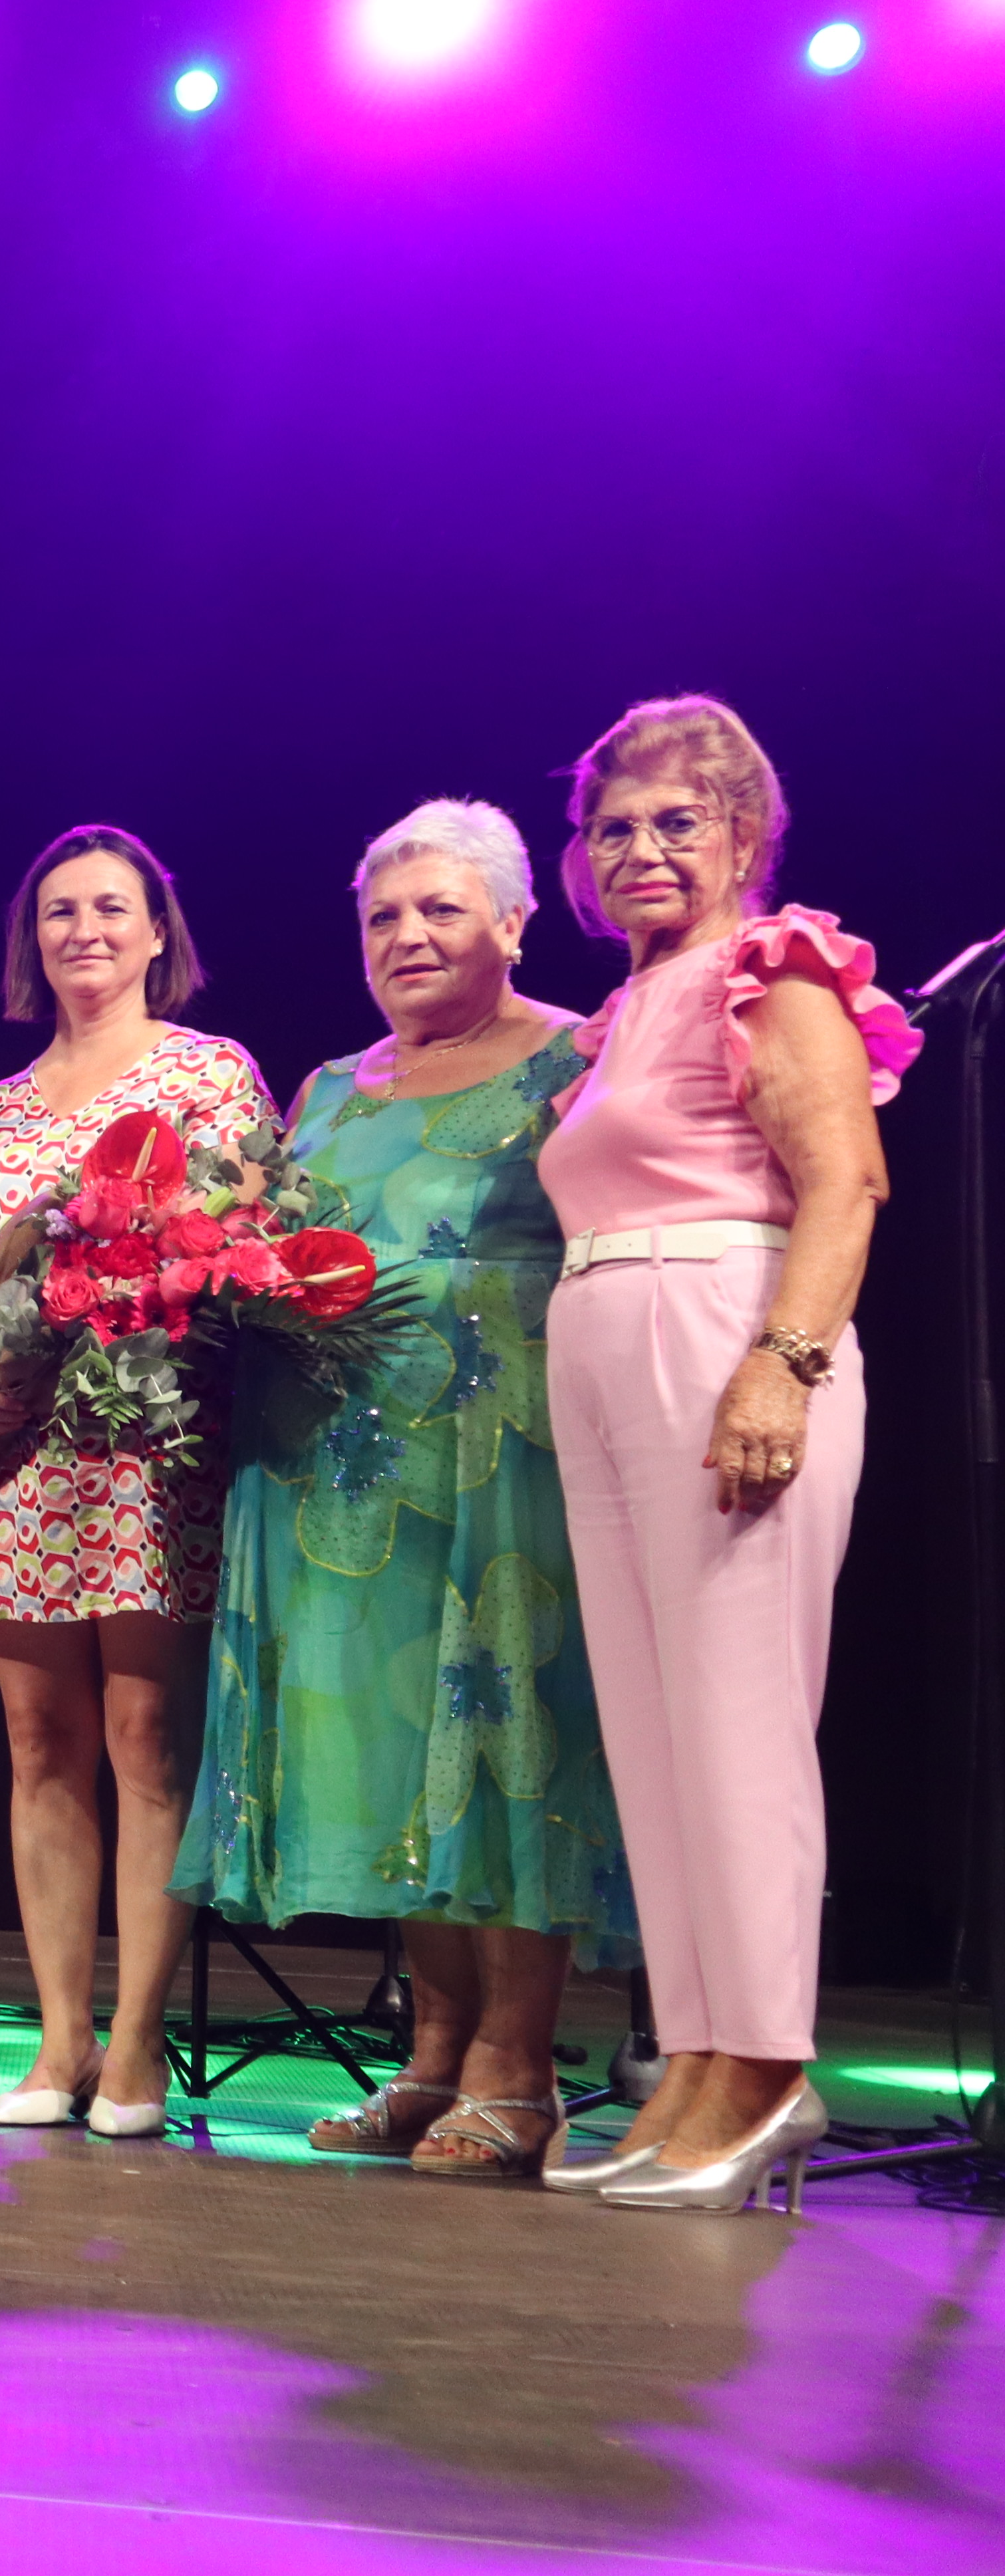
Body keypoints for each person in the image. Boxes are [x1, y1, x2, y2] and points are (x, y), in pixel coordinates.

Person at [176, 803, 635, 2178]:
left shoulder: (578, 1055)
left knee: (498, 1744)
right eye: (383, 916)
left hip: (500, 1458)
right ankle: (433, 2057)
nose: (408, 936)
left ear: (511, 919)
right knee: (388, 1758)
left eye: (441, 908)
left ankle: (519, 2068)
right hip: (330, 1467)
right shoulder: (327, 1087)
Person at [533, 697, 906, 2214]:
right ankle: (692, 2054)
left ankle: (765, 2059)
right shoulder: (628, 1006)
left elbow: (848, 1178)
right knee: (656, 1731)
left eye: (678, 820)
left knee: (742, 1717)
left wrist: (786, 1361)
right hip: (606, 1338)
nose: (643, 848)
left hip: (724, 1328)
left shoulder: (778, 963)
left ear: (747, 835)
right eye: (616, 825)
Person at [0, 829, 275, 2136]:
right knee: (39, 1742)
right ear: (34, 938)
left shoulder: (205, 1076)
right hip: (16, 1460)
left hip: (143, 1449)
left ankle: (136, 2046)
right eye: (60, 909)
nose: (85, 928)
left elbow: (240, 1244)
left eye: (110, 907)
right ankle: (58, 2039)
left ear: (154, 930)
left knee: (142, 1738)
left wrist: (130, 1298)